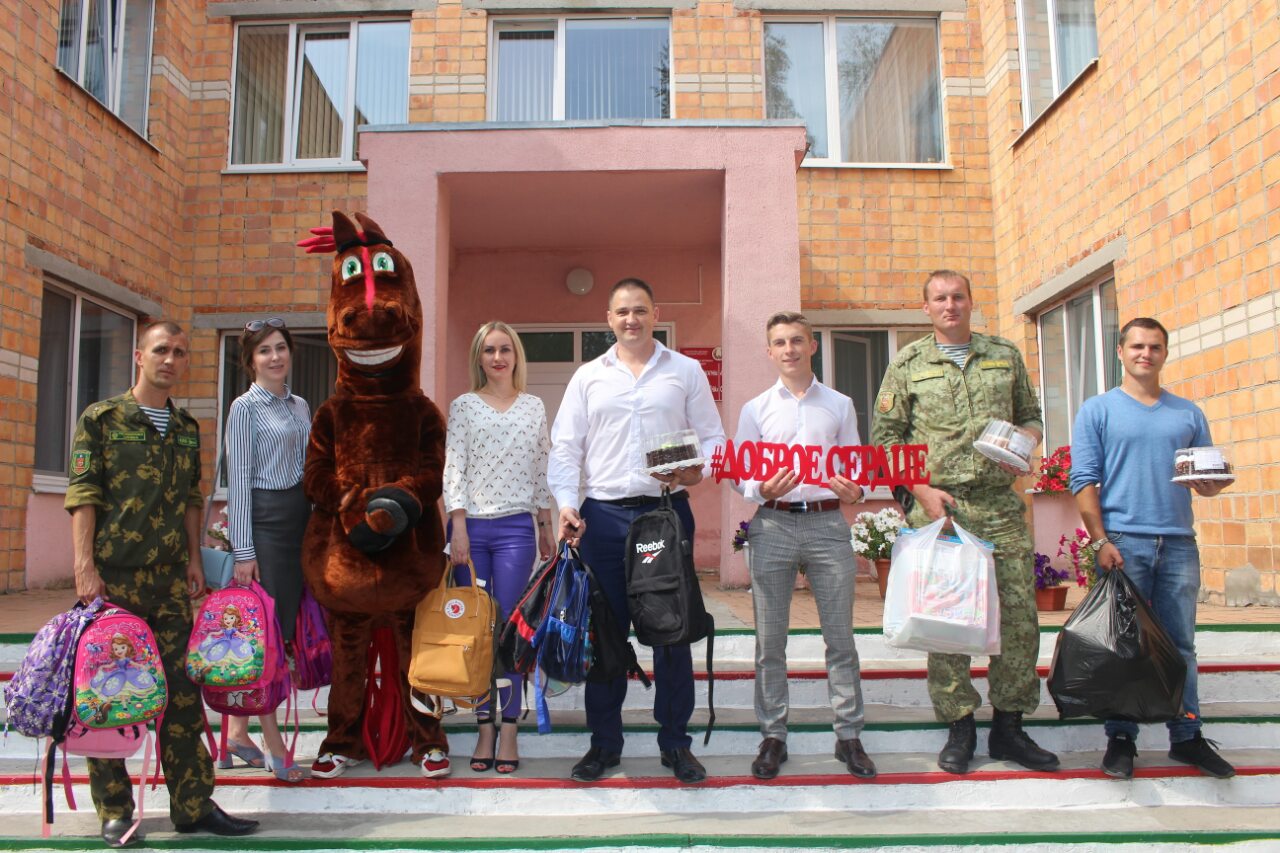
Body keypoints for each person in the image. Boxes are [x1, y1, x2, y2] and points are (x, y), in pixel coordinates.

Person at [66, 320, 259, 848]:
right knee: (110, 697)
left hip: (171, 581)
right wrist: (85, 568)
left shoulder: (185, 428)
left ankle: (193, 805)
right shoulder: (102, 419)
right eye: (160, 350)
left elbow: (192, 500)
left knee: (180, 696)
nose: (170, 359)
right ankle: (114, 809)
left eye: (178, 352)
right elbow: (84, 494)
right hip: (112, 582)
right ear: (138, 356)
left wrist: (196, 559)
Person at [871, 270, 1059, 775]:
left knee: (1019, 617)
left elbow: (1031, 415)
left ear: (971, 302)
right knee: (944, 617)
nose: (949, 305)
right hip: (941, 509)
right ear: (926, 307)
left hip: (999, 504)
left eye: (958, 296)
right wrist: (920, 490)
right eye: (939, 298)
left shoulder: (1004, 354)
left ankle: (1010, 726)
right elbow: (886, 440)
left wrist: (1024, 441)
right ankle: (959, 726)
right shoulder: (908, 364)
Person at [549, 278, 725, 784]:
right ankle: (604, 744)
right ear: (609, 318)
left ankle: (676, 744)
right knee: (604, 637)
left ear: (655, 314)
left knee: (672, 631)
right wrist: (565, 505)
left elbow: (712, 440)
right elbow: (565, 448)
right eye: (623, 311)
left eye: (641, 310)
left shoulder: (685, 371)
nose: (632, 319)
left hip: (664, 516)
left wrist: (695, 471)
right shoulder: (588, 376)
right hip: (601, 519)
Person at [1070, 317, 1234, 779]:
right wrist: (1100, 539)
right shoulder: (1098, 410)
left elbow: (1202, 482)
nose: (1146, 353)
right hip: (1123, 542)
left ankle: (1187, 736)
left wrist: (1214, 482)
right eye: (1137, 346)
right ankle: (1121, 739)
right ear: (1120, 352)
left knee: (1181, 645)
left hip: (1179, 543)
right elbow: (1083, 481)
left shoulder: (1187, 413)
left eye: (1155, 346)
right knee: (1126, 645)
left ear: (1165, 353)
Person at [733, 312, 875, 780]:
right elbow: (741, 473)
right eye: (780, 342)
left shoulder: (839, 404)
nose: (789, 349)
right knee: (769, 642)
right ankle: (773, 736)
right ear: (769, 351)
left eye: (797, 340)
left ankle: (848, 736)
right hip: (772, 526)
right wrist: (760, 489)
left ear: (812, 346)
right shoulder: (755, 409)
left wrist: (855, 489)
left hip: (827, 524)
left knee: (840, 639)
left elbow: (854, 468)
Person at [443, 321, 556, 774]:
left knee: (508, 632)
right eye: (488, 350)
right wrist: (457, 527)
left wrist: (545, 523)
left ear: (516, 355)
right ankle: (483, 725)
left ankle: (509, 727)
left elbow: (541, 468)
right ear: (479, 357)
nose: (497, 357)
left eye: (505, 349)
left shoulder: (533, 406)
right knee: (476, 632)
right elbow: (455, 468)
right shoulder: (464, 406)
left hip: (515, 531)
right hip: (472, 532)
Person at [221, 317, 313, 783]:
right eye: (264, 351)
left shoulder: (300, 405)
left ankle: (236, 734)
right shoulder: (245, 409)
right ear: (250, 360)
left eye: (281, 348)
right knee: (269, 640)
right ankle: (276, 748)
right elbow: (236, 484)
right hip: (265, 523)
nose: (275, 357)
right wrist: (243, 550)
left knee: (279, 632)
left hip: (300, 520)